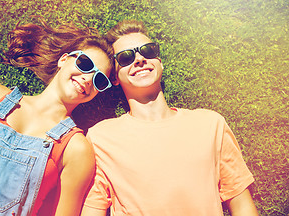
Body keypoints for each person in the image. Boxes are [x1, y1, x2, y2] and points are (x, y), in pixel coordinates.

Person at [0, 18, 114, 216]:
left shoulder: (76, 148)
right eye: (85, 64)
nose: (88, 78)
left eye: (99, 79)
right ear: (64, 59)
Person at [81, 20, 259, 216]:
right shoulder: (101, 138)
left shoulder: (210, 124)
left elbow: (242, 204)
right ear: (114, 77)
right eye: (125, 57)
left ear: (159, 62)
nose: (139, 59)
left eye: (148, 51)